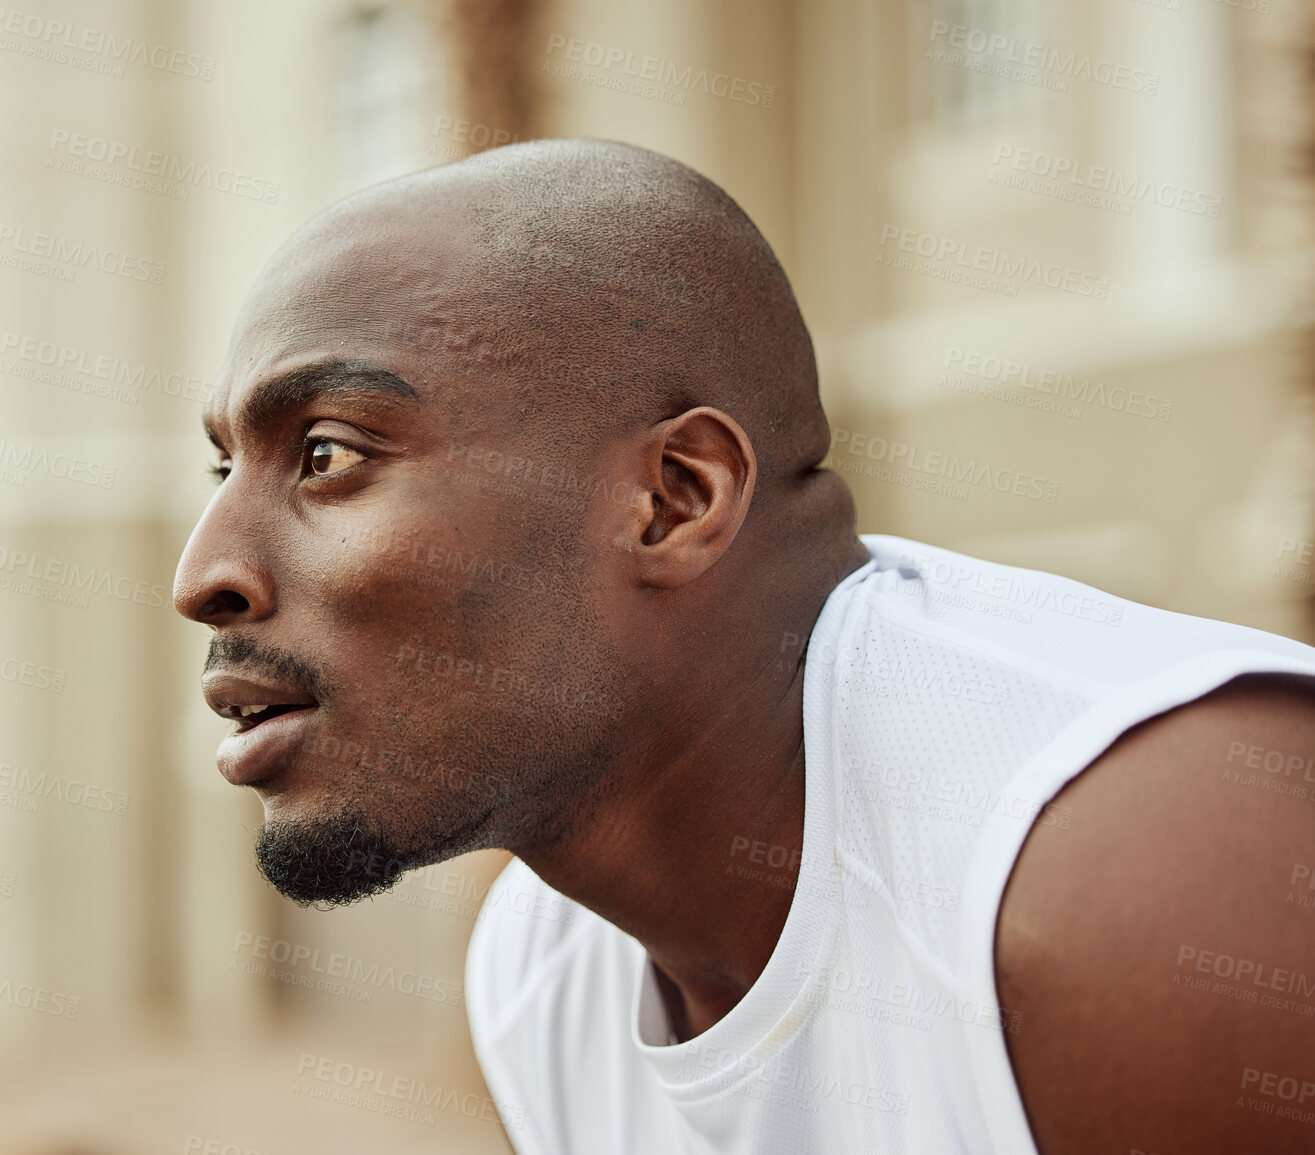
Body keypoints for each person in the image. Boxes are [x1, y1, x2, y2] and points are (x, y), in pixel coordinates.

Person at [171, 139, 1315, 1155]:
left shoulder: (1141, 870)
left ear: (672, 499)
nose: (203, 576)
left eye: (326, 454)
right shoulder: (546, 973)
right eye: (225, 469)